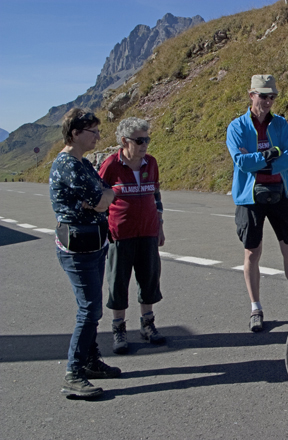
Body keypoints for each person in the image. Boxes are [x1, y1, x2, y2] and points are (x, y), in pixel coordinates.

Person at [50, 108, 121, 398]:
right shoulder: (68, 165)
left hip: (94, 243)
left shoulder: (83, 163)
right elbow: (101, 199)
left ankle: (90, 361)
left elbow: (105, 192)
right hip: (77, 247)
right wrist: (104, 197)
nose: (97, 137)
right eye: (92, 132)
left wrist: (104, 197)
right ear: (75, 133)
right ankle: (73, 373)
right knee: (89, 309)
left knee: (93, 307)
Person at [226, 74, 288, 332]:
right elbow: (241, 162)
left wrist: (261, 158)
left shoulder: (280, 124)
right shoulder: (237, 127)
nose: (269, 101)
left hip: (279, 192)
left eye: (273, 96)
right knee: (252, 252)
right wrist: (272, 153)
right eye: (263, 96)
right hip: (250, 198)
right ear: (252, 95)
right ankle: (256, 307)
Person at [98, 117, 166, 354]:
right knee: (118, 282)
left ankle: (148, 325)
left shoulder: (151, 163)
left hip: (147, 231)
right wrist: (104, 230)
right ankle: (119, 329)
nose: (145, 144)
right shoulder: (111, 165)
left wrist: (160, 226)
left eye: (147, 139)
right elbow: (99, 198)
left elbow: (156, 196)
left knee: (149, 279)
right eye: (139, 140)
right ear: (125, 141)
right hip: (121, 234)